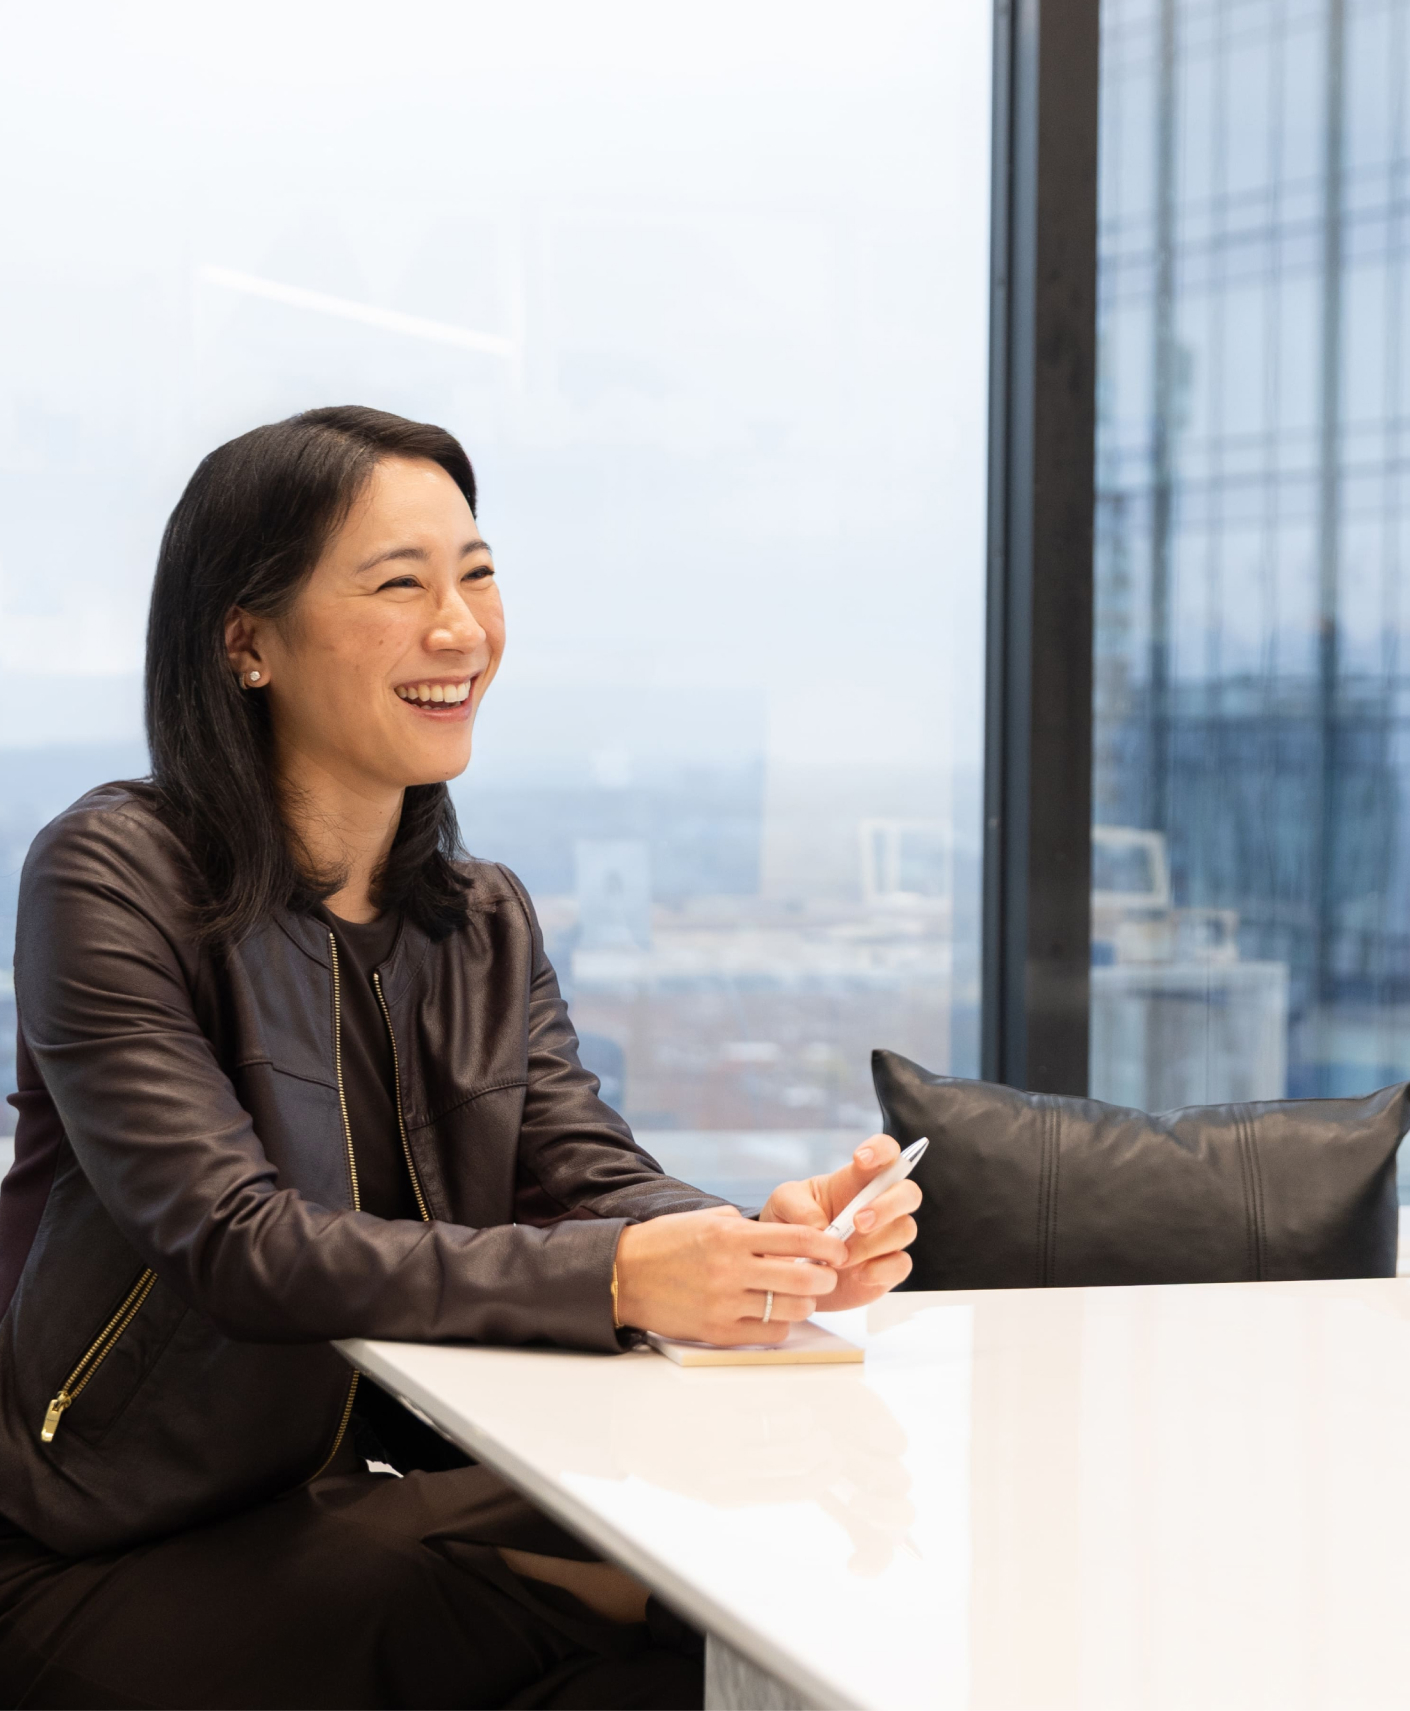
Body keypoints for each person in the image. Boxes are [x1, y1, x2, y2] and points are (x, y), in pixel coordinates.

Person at [0, 406, 920, 1709]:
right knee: (674, 1621)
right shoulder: (113, 875)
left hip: (351, 1501)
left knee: (735, 1577)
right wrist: (624, 1272)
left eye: (476, 575)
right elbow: (236, 1241)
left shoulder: (477, 918)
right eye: (400, 584)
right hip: (101, 1545)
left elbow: (585, 1174)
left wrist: (748, 1244)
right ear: (244, 641)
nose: (460, 629)